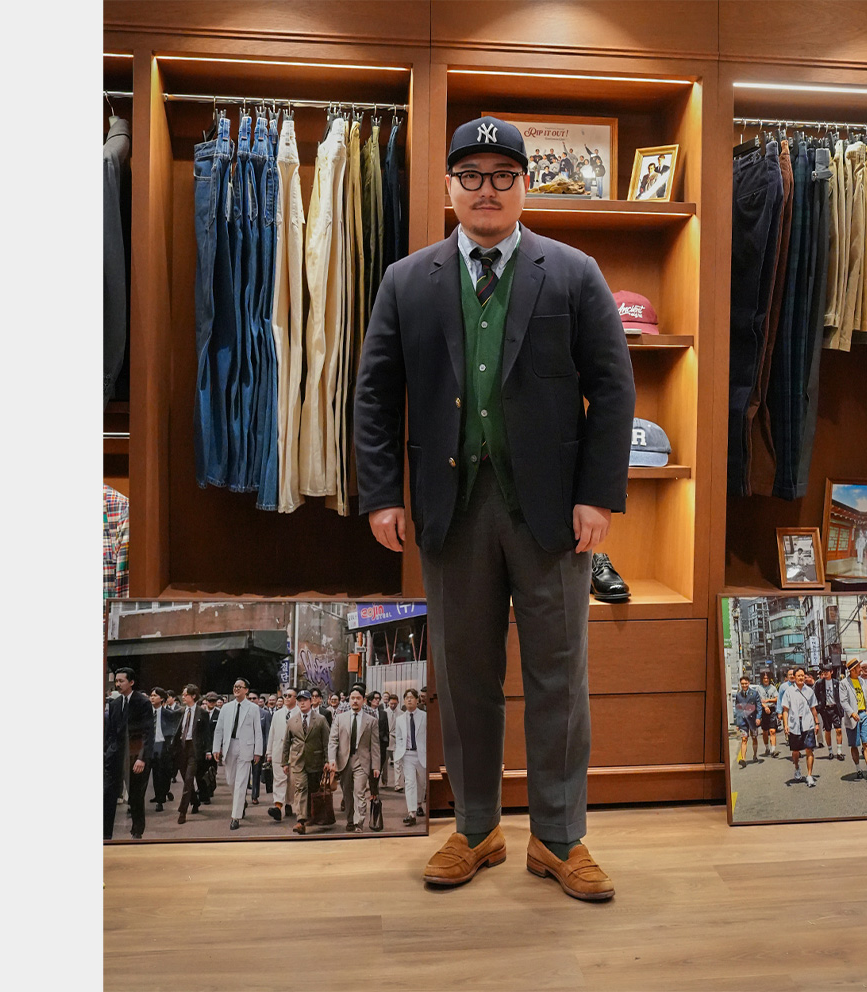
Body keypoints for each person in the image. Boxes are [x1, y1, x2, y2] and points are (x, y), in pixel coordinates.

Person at [354, 115, 634, 902]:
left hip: (552, 516)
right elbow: (375, 394)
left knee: (558, 678)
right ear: (449, 187)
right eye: (471, 176)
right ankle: (476, 828)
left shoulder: (573, 273)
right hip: (451, 509)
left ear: (525, 186)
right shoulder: (407, 280)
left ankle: (559, 838)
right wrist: (382, 493)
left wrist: (597, 495)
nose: (487, 190)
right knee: (466, 676)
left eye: (502, 176)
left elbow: (613, 387)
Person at [104, 668, 154, 840]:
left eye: (121, 681)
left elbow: (148, 733)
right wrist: (108, 752)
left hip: (135, 757)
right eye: (116, 681)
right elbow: (110, 732)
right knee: (108, 794)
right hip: (115, 756)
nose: (118, 684)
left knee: (135, 796)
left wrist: (141, 758)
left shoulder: (143, 703)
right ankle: (105, 834)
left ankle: (137, 832)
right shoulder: (114, 704)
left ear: (131, 682)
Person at [211, 678, 263, 829]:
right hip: (230, 746)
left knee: (241, 782)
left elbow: (258, 731)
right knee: (231, 781)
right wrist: (216, 748)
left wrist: (258, 751)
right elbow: (219, 729)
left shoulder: (253, 708)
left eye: (240, 687)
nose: (237, 689)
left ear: (246, 690)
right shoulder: (226, 708)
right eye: (235, 686)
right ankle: (241, 802)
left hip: (245, 747)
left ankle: (235, 817)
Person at [325, 687, 380, 832]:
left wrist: (376, 766)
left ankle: (358, 822)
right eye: (352, 698)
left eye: (358, 698)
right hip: (344, 760)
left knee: (359, 792)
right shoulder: (340, 718)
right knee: (347, 793)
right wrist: (332, 759)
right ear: (349, 700)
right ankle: (350, 820)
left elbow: (375, 745)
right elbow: (333, 740)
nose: (355, 701)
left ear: (364, 700)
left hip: (362, 760)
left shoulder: (371, 721)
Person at [282, 691, 331, 835]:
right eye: (300, 700)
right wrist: (285, 762)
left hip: (316, 760)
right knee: (301, 788)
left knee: (313, 790)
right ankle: (301, 820)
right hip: (298, 761)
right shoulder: (292, 721)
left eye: (305, 700)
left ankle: (312, 815)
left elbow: (327, 742)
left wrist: (328, 760)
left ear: (311, 701)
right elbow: (286, 743)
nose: (302, 703)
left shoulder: (320, 720)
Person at [172, 683, 209, 824]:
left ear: (193, 696)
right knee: (185, 779)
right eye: (183, 694)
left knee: (188, 779)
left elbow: (206, 734)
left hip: (194, 749)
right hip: (181, 748)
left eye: (186, 694)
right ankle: (195, 801)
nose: (183, 697)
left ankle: (182, 811)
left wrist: (208, 750)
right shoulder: (180, 712)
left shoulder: (202, 713)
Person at [778, 666, 820, 787]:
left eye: (802, 675)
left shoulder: (809, 691)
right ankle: (796, 767)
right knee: (795, 751)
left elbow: (813, 708)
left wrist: (817, 722)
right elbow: (785, 710)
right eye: (798, 676)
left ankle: (809, 775)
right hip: (794, 724)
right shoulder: (789, 692)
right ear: (794, 677)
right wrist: (786, 725)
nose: (801, 678)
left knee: (809, 749)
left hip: (808, 723)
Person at [266, 688, 302, 821]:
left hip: (295, 753)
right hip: (278, 751)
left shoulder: (301, 713)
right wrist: (269, 752)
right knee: (279, 780)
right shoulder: (277, 714)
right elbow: (272, 733)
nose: (286, 698)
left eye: (289, 695)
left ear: (296, 698)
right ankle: (278, 806)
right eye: (285, 695)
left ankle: (288, 803)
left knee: (292, 782)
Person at [393, 688, 428, 826]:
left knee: (422, 783)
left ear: (417, 700)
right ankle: (411, 813)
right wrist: (400, 750)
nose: (409, 700)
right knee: (410, 783)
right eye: (407, 698)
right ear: (404, 701)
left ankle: (419, 804)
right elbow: (399, 737)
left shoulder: (424, 716)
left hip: (422, 754)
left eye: (412, 697)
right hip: (407, 754)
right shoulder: (400, 719)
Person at [839, 658, 867, 783]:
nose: (860, 669)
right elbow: (843, 701)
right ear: (853, 669)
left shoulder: (862, 681)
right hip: (852, 717)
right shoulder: (844, 683)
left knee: (866, 742)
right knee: (854, 744)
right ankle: (858, 768)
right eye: (859, 667)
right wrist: (852, 713)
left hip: (864, 714)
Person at [148, 687, 182, 812]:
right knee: (154, 773)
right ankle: (159, 796)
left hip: (163, 745)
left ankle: (162, 797)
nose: (152, 698)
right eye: (151, 695)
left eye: (155, 696)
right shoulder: (147, 713)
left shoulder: (168, 713)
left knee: (163, 772)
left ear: (162, 698)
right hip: (150, 745)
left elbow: (175, 728)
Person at [812, 667, 845, 761]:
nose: (825, 673)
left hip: (835, 709)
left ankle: (839, 751)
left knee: (838, 729)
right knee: (827, 730)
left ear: (831, 672)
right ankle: (830, 751)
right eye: (823, 672)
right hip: (825, 709)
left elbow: (841, 695)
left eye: (827, 671)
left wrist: (841, 707)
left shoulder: (837, 683)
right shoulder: (819, 683)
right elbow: (815, 696)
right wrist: (818, 707)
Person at [732, 676, 762, 767]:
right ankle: (743, 759)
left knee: (754, 737)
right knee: (744, 739)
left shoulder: (754, 693)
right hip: (743, 721)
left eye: (745, 683)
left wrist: (758, 718)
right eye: (742, 684)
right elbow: (737, 709)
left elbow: (759, 707)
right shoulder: (738, 695)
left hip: (753, 720)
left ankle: (755, 755)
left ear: (748, 683)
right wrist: (737, 723)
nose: (744, 685)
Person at [251, 696, 274, 806]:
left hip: (259, 749)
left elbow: (268, 733)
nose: (252, 700)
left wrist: (267, 750)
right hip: (245, 748)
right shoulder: (243, 713)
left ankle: (255, 795)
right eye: (249, 698)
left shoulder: (265, 714)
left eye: (254, 698)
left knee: (256, 773)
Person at [369, 691, 391, 786]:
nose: (377, 701)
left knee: (379, 766)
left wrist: (386, 741)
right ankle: (372, 786)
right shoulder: (366, 712)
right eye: (375, 698)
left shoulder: (383, 713)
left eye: (379, 699)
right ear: (370, 700)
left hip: (381, 743)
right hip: (369, 744)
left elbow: (386, 728)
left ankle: (375, 785)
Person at [757, 671, 779, 757]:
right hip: (763, 710)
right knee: (765, 731)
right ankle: (767, 748)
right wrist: (765, 706)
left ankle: (773, 750)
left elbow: (776, 698)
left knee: (772, 731)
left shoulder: (773, 688)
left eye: (767, 678)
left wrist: (768, 700)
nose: (766, 680)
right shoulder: (759, 688)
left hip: (772, 710)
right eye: (764, 678)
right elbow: (758, 700)